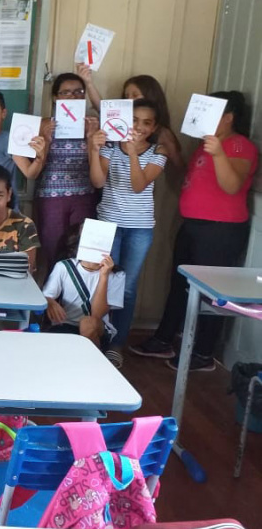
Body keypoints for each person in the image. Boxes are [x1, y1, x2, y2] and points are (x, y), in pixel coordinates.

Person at [131, 91, 258, 372]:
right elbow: (190, 176)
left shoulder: (239, 145)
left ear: (228, 117)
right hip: (193, 226)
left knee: (213, 292)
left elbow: (232, 186)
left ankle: (203, 353)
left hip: (220, 230)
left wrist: (219, 154)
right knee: (180, 285)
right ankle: (164, 339)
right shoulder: (206, 144)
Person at [88, 99, 168, 368]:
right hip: (108, 225)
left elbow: (138, 185)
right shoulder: (110, 147)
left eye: (147, 123)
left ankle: (117, 345)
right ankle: (97, 339)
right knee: (103, 284)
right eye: (134, 120)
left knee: (128, 289)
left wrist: (133, 154)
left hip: (139, 228)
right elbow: (98, 181)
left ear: (154, 127)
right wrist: (94, 149)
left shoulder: (158, 150)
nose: (139, 127)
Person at [35, 72, 98, 272]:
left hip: (84, 194)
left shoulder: (92, 124)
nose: (73, 97)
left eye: (78, 92)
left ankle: (76, 292)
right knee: (53, 252)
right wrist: (46, 140)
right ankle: (53, 291)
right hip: (51, 195)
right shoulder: (44, 124)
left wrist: (91, 138)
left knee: (82, 255)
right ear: (55, 97)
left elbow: (98, 165)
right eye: (66, 92)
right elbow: (34, 166)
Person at [78, 65, 182, 168]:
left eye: (135, 95)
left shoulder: (162, 133)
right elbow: (103, 109)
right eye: (126, 96)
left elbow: (178, 166)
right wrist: (88, 83)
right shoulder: (121, 121)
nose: (129, 100)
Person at [44, 251, 124, 348]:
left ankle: (95, 355)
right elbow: (46, 296)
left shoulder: (116, 274)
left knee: (87, 323)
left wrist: (104, 276)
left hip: (97, 327)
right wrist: (50, 301)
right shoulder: (63, 267)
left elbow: (97, 314)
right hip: (66, 323)